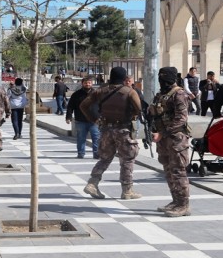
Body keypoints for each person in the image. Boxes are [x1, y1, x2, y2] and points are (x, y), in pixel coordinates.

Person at [80, 67, 142, 199]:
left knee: (105, 158)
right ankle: (127, 190)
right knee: (127, 160)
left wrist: (94, 119)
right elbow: (139, 109)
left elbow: (83, 106)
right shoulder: (129, 92)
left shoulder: (101, 91)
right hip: (123, 130)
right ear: (124, 78)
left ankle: (92, 183)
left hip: (106, 129)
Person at [148, 67, 192, 217]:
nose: (162, 82)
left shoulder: (179, 94)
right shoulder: (161, 94)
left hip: (176, 139)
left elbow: (181, 119)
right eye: (161, 79)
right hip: (164, 139)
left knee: (178, 172)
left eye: (165, 79)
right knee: (168, 171)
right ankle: (175, 201)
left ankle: (183, 205)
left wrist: (162, 133)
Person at [66, 76, 100, 159]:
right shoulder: (76, 95)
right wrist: (68, 117)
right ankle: (81, 153)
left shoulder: (97, 94)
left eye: (89, 83)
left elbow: (102, 106)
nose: (87, 84)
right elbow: (70, 106)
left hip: (94, 121)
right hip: (80, 120)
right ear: (82, 84)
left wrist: (101, 116)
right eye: (85, 83)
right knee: (81, 138)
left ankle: (97, 154)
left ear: (92, 84)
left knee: (96, 138)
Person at [124, 75, 149, 139]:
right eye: (126, 81)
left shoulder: (136, 90)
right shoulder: (121, 90)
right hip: (124, 116)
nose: (127, 82)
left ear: (132, 82)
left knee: (134, 133)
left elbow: (142, 101)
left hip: (134, 116)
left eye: (129, 81)